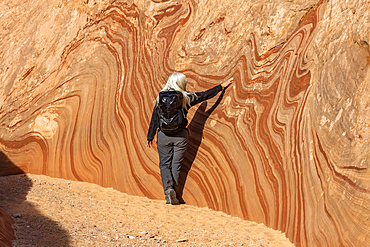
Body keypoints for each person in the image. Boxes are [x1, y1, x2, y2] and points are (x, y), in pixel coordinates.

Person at [147, 72, 233, 205]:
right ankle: (174, 194)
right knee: (176, 165)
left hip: (164, 136)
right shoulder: (185, 97)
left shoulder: (160, 97)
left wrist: (150, 135)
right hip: (180, 136)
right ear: (181, 83)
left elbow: (155, 118)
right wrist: (221, 87)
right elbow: (205, 95)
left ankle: (169, 189)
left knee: (164, 164)